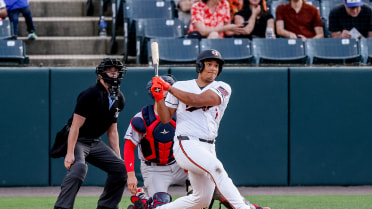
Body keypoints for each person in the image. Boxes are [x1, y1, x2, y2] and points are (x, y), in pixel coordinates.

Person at [134, 49, 270, 209]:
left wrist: (169, 88)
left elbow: (198, 100)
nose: (213, 68)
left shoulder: (223, 88)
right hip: (186, 143)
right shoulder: (181, 86)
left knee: (201, 200)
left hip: (208, 146)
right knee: (217, 169)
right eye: (209, 64)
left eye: (216, 65)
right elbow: (165, 118)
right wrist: (159, 98)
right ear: (199, 66)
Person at [54, 58, 127, 209]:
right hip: (77, 139)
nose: (114, 74)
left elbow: (112, 131)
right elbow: (75, 126)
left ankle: (107, 206)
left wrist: (117, 156)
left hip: (94, 141)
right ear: (101, 74)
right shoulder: (89, 94)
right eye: (110, 70)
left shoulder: (119, 98)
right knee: (79, 168)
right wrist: (69, 153)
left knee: (121, 168)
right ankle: (62, 207)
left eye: (116, 71)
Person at [123, 75, 189, 198]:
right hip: (154, 170)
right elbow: (129, 147)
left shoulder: (181, 115)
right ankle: (143, 200)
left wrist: (188, 167)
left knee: (206, 184)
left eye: (167, 88)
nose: (164, 92)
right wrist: (131, 174)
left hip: (178, 164)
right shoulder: (142, 118)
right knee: (160, 203)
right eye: (161, 88)